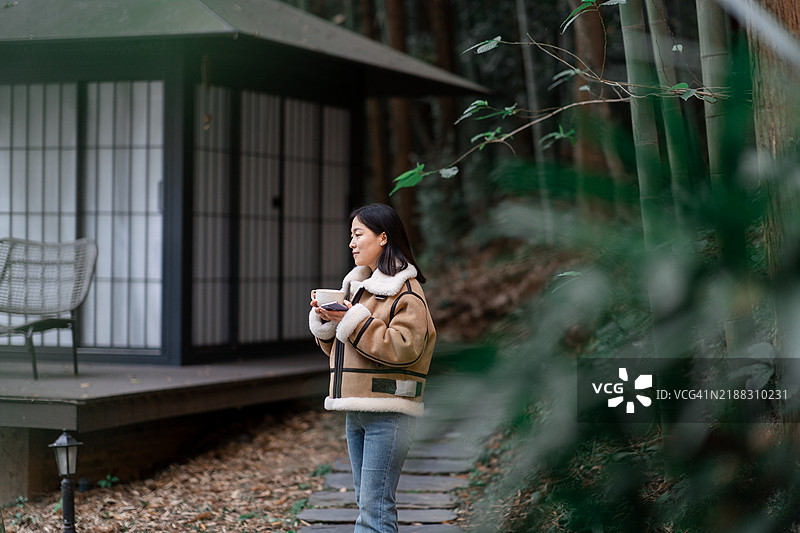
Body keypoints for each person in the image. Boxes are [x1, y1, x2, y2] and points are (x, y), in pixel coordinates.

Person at [309, 203, 436, 533]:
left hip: (390, 412)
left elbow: (404, 347)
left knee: (374, 509)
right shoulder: (359, 289)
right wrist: (329, 322)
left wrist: (352, 320)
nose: (351, 242)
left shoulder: (406, 291)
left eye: (358, 234)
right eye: (350, 235)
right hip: (358, 410)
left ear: (383, 237)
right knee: (368, 504)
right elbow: (348, 352)